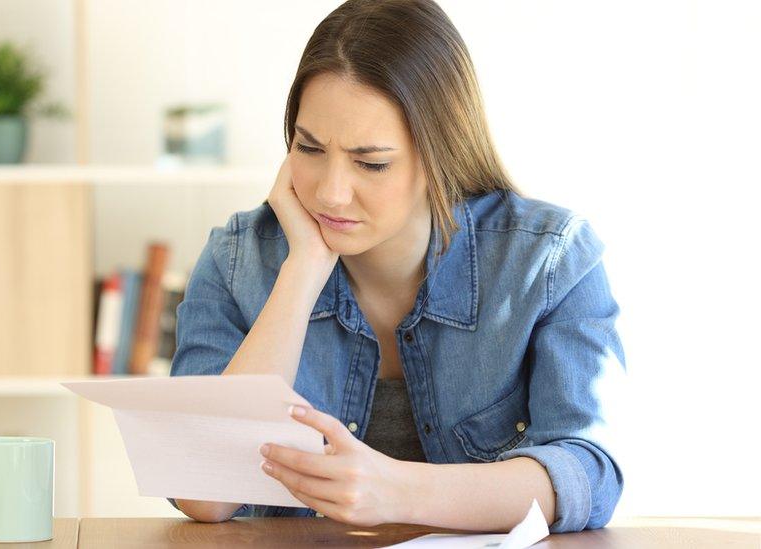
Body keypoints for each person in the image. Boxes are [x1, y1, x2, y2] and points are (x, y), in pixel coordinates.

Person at [167, 0, 625, 534]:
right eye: (309, 149)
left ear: (441, 154)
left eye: (371, 162)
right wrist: (305, 267)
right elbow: (201, 493)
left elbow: (588, 474)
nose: (331, 193)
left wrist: (395, 490)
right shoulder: (235, 260)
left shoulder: (547, 260)